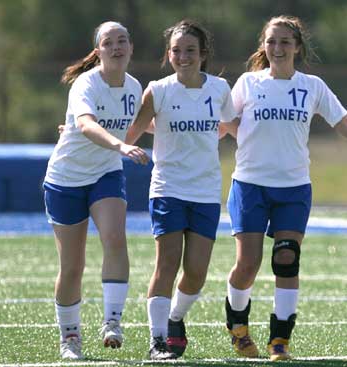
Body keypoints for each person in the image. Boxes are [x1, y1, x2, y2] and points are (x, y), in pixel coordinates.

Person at [223, 15, 347, 362]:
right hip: (249, 184)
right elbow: (226, 124)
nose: (277, 48)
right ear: (263, 46)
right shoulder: (248, 84)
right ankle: (238, 327)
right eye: (271, 41)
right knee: (247, 263)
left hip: (294, 188)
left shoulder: (312, 86)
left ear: (297, 47)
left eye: (284, 42)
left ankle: (280, 341)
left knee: (286, 258)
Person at [124, 19, 237, 360]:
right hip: (167, 188)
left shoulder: (219, 89)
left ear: (203, 54)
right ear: (168, 54)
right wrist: (80, 131)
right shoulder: (157, 90)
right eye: (176, 50)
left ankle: (174, 319)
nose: (183, 56)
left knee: (197, 273)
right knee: (167, 264)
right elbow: (129, 134)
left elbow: (233, 128)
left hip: (205, 192)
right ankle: (157, 340)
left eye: (190, 50)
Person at [43, 21, 149, 360]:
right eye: (108, 42)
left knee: (115, 239)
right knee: (72, 265)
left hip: (105, 173)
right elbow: (86, 124)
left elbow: (149, 122)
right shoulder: (85, 84)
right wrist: (119, 145)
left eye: (122, 41)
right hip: (66, 179)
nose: (116, 47)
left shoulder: (134, 87)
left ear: (131, 48)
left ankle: (112, 322)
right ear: (98, 51)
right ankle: (70, 337)